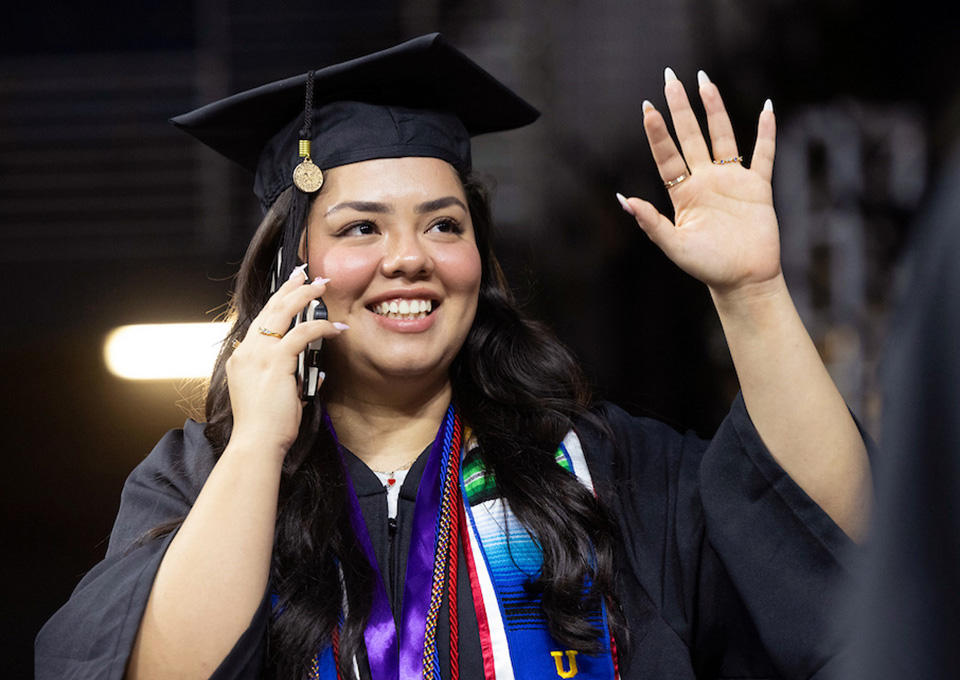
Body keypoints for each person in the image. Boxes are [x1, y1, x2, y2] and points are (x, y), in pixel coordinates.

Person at [35, 34, 871, 680]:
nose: (412, 257)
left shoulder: (601, 470)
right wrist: (259, 442)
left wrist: (754, 295)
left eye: (444, 224)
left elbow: (833, 553)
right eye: (362, 227)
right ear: (295, 270)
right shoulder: (200, 479)